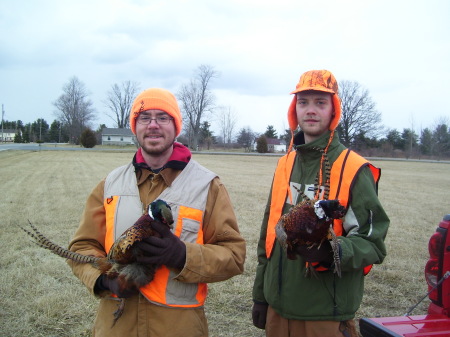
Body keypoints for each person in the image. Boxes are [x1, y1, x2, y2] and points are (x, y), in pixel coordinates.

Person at [68, 88, 246, 337]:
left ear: (176, 127)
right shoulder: (110, 185)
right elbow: (81, 247)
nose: (153, 125)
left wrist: (183, 256)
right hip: (116, 327)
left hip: (179, 328)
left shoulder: (207, 187)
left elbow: (234, 256)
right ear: (135, 126)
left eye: (163, 118)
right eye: (144, 118)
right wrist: (103, 281)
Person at [251, 70, 390, 337]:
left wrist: (332, 252)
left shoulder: (354, 168)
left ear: (333, 109)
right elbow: (268, 235)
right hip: (277, 310)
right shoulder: (285, 163)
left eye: (320, 102)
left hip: (325, 314)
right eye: (303, 102)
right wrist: (261, 293)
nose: (311, 110)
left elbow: (373, 243)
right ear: (295, 109)